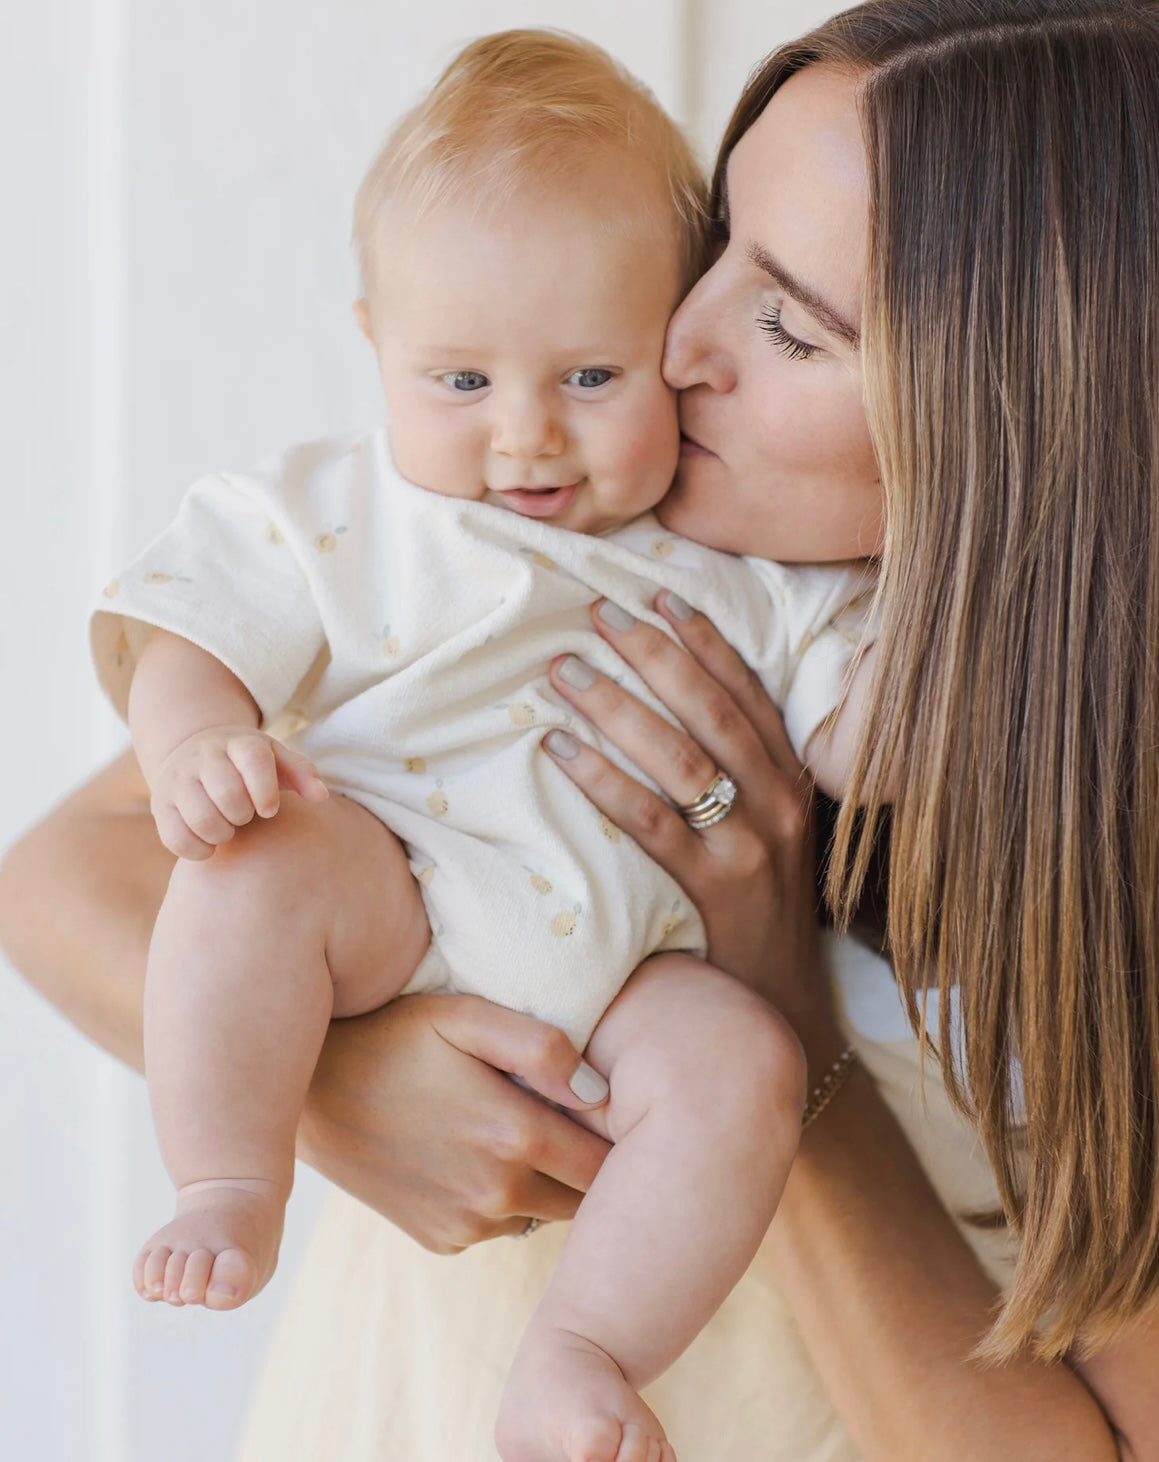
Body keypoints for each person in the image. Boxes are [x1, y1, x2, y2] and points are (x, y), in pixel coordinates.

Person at [3, 1, 1159, 1458]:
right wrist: (349, 1085)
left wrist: (785, 1011)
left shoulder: (1029, 794)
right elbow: (60, 874)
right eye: (713, 244)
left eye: (785, 322)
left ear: (1024, 416)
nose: (672, 343)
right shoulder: (515, 527)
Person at [87, 29, 874, 1462]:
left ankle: (576, 1347)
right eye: (459, 382)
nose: (526, 438)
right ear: (375, 343)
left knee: (741, 1068)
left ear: (670, 348)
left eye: (589, 376)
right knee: (250, 870)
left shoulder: (725, 550)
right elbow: (184, 618)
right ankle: (224, 1173)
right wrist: (194, 729)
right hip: (396, 901)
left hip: (635, 982)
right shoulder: (347, 510)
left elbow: (857, 723)